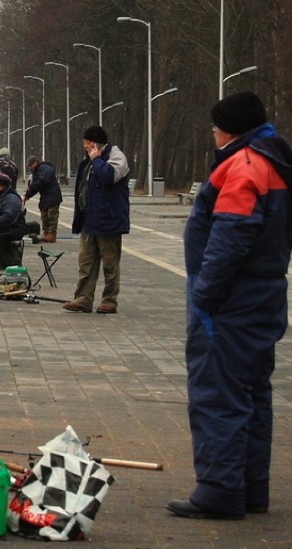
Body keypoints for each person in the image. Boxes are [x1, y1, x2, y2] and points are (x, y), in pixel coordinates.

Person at [167, 92, 292, 520]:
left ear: (230, 128)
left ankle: (220, 489)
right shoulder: (274, 160)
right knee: (253, 394)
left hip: (231, 303)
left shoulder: (244, 166)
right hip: (264, 295)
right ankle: (250, 487)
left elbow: (232, 235)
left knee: (218, 395)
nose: (213, 133)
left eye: (215, 126)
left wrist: (205, 296)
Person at [63, 125, 130, 314]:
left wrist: (97, 159)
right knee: (86, 262)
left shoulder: (116, 157)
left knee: (110, 263)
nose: (84, 148)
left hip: (109, 220)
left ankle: (109, 300)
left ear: (94, 144)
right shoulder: (86, 163)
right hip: (89, 221)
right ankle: (83, 298)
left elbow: (108, 177)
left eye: (86, 145)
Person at [23, 156, 63, 242]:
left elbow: (41, 182)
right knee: (44, 215)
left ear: (35, 163)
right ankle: (46, 233)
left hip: (53, 196)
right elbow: (35, 186)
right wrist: (27, 196)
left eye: (30, 165)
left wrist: (31, 189)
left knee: (51, 216)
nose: (30, 168)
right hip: (45, 197)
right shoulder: (36, 172)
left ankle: (52, 234)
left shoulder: (45, 168)